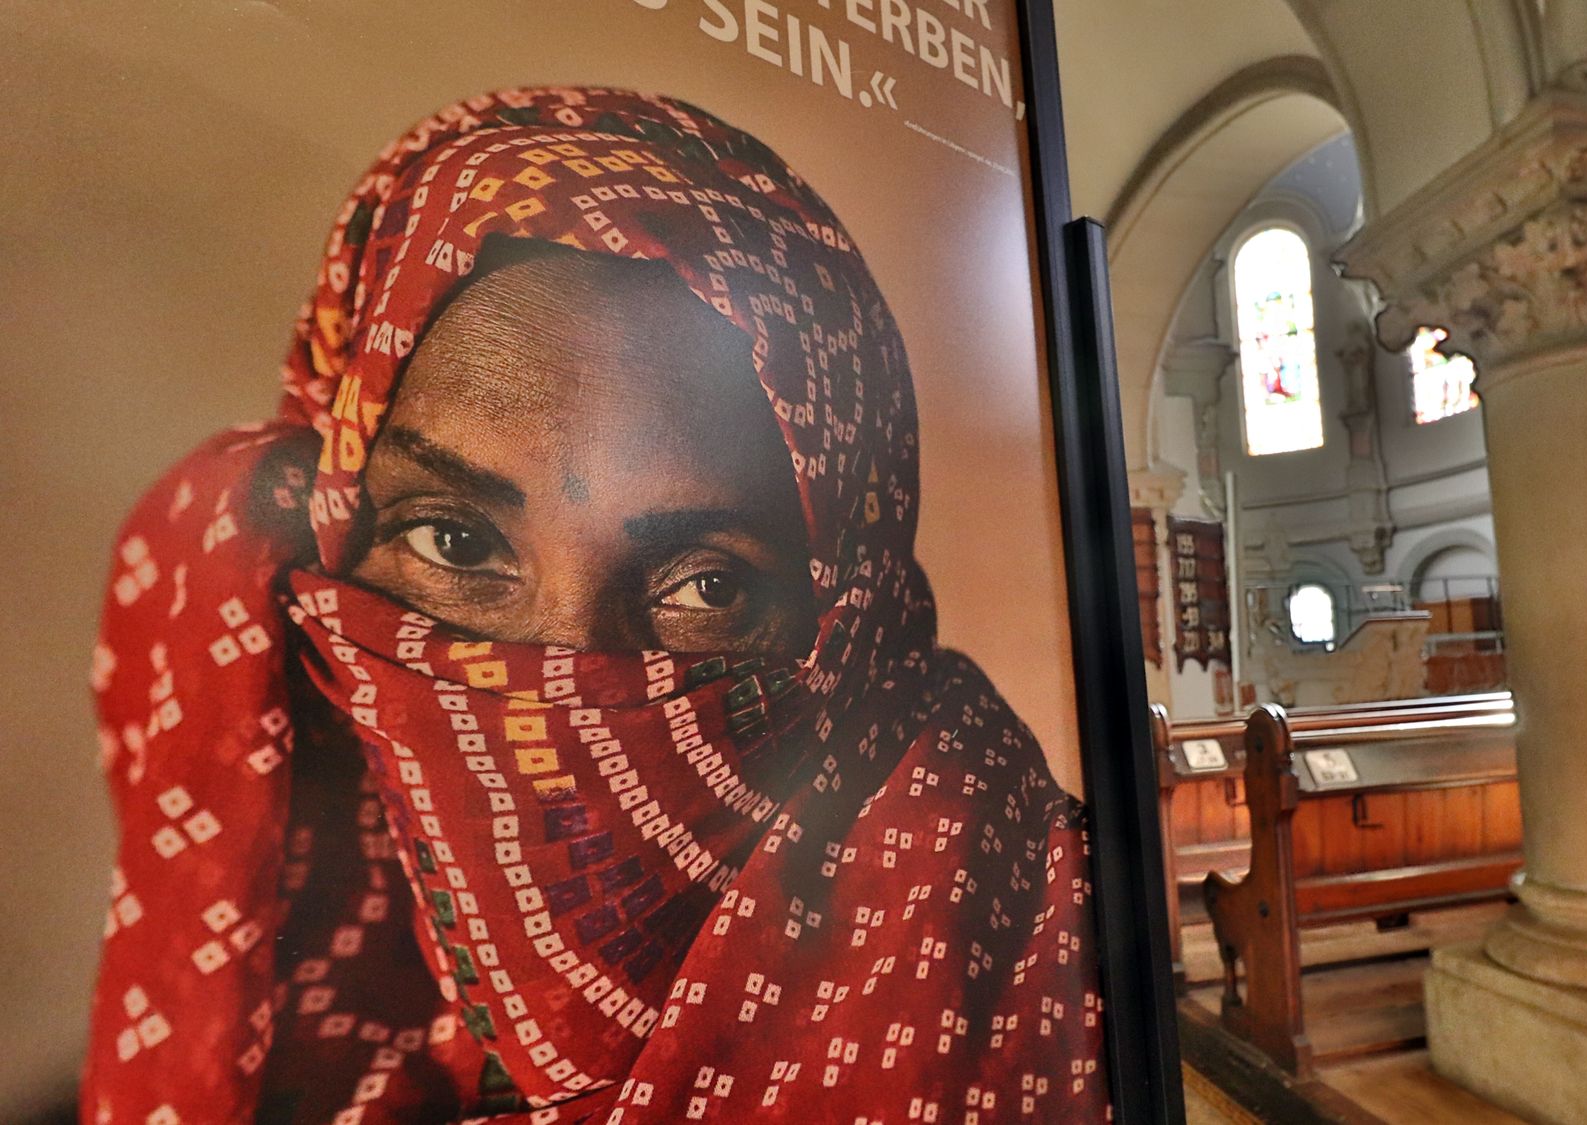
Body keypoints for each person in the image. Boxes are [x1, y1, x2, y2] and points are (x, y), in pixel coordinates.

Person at [84, 86, 1109, 1124]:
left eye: (705, 584)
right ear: (337, 528)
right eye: (455, 540)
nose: (559, 671)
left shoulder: (1048, 953)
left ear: (847, 608)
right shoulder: (290, 1040)